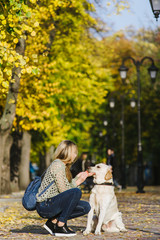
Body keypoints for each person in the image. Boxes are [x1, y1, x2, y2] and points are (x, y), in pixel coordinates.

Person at [36, 140, 94, 237]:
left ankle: (53, 222)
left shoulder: (63, 165)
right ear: (68, 152)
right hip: (45, 205)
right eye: (74, 153)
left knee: (85, 207)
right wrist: (78, 182)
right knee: (76, 192)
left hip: (52, 202)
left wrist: (78, 179)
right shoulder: (58, 165)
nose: (76, 155)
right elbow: (65, 191)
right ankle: (60, 225)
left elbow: (66, 189)